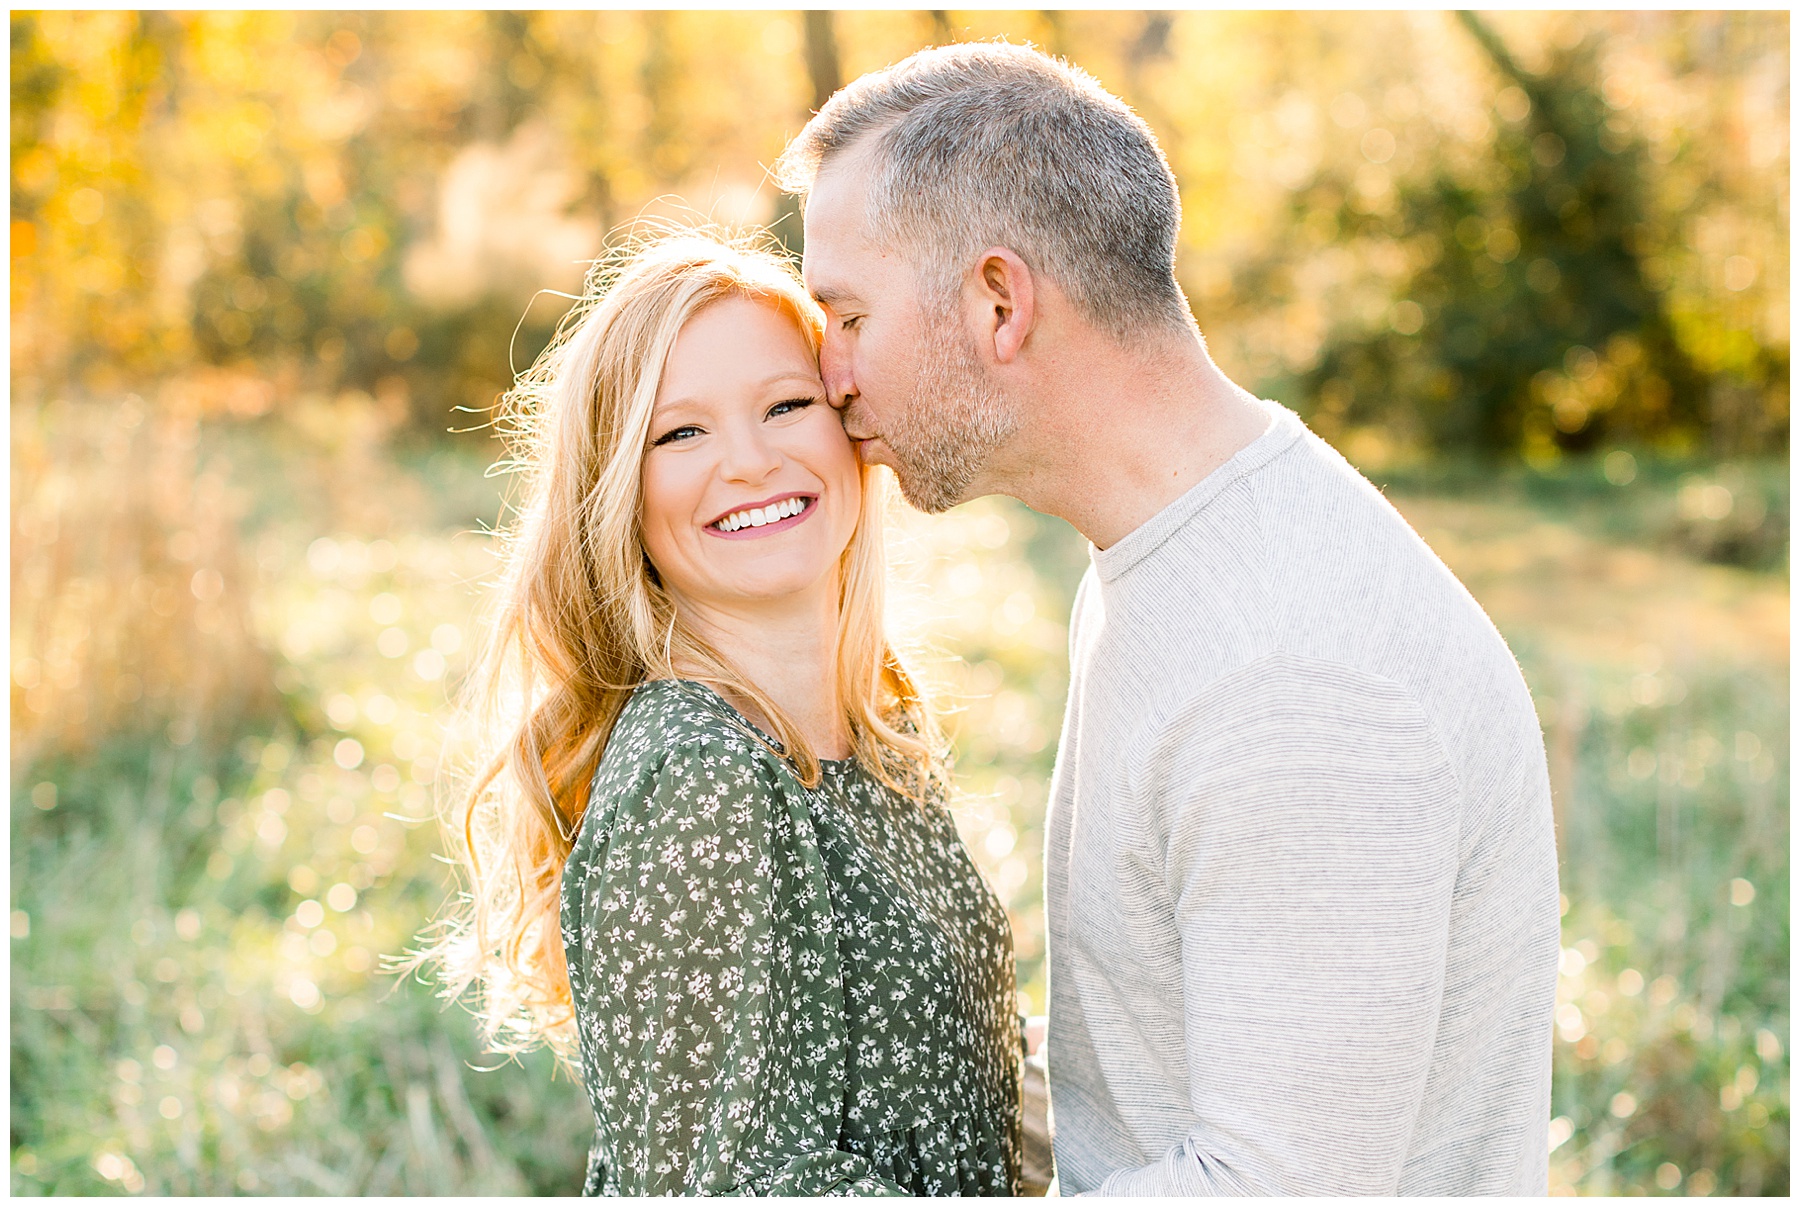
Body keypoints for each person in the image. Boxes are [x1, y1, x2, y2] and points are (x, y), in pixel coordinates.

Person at [777, 41, 1562, 1196]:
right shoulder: (1179, 549)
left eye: (848, 315)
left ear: (999, 302)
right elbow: (1147, 1074)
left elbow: (1273, 1186)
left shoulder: (1292, 679)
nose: (829, 375)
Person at [423, 233, 1023, 1195]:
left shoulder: (879, 725)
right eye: (681, 433)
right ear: (619, 492)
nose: (749, 461)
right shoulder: (701, 778)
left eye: (787, 405)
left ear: (851, 423)